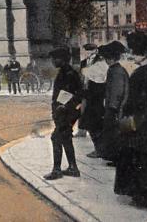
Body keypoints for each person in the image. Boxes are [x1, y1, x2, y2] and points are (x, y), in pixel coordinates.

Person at [114, 46, 147, 208]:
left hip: (141, 124)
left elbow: (130, 104)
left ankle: (143, 196)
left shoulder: (140, 73)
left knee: (142, 159)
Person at [44, 48, 83, 180]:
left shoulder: (68, 73)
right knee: (65, 138)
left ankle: (57, 170)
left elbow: (77, 93)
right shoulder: (66, 71)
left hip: (65, 113)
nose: (53, 61)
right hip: (66, 112)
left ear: (63, 59)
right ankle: (73, 167)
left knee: (56, 138)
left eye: (55, 59)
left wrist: (63, 106)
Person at [100, 49, 129, 164]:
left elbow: (117, 91)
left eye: (107, 58)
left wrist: (113, 108)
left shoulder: (116, 71)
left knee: (114, 134)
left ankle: (117, 159)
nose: (106, 61)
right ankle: (115, 158)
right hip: (114, 106)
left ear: (111, 58)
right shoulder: (116, 69)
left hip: (115, 108)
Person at [80, 52, 107, 158]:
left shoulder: (95, 83)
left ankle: (98, 150)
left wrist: (81, 93)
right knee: (96, 128)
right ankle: (99, 149)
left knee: (93, 128)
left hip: (93, 107)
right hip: (98, 107)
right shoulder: (101, 81)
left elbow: (90, 93)